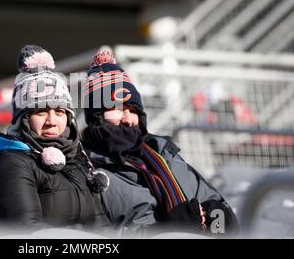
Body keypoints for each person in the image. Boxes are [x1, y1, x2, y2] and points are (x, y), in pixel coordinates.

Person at [81, 46, 239, 237]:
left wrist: (218, 221)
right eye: (117, 108)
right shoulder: (89, 173)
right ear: (97, 116)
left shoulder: (163, 154)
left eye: (133, 110)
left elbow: (214, 201)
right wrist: (170, 232)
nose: (127, 118)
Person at [0, 45, 110, 235]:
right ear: (23, 119)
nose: (52, 121)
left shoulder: (77, 158)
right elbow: (28, 231)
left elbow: (102, 225)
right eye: (41, 111)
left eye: (60, 112)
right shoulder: (11, 163)